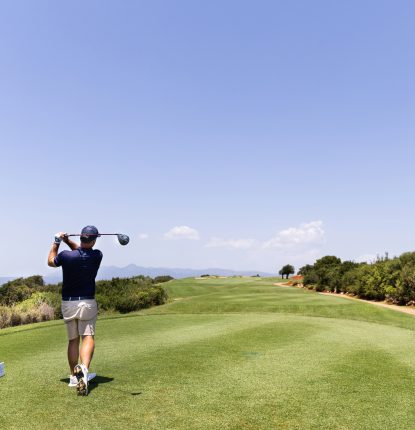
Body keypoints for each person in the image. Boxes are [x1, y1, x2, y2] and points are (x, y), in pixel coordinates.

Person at [47, 225, 103, 396]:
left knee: (73, 340)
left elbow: (51, 261)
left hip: (68, 303)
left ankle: (73, 376)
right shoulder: (97, 255)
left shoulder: (66, 256)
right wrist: (66, 241)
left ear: (81, 237)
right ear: (93, 240)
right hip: (86, 302)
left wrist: (57, 242)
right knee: (87, 336)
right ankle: (84, 370)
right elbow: (81, 252)